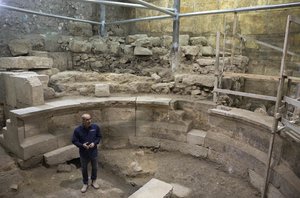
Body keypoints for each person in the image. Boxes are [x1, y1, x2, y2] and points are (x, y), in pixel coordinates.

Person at [72, 113, 102, 193]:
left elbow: (99, 137)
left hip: (93, 152)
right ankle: (85, 183)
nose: (89, 121)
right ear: (83, 120)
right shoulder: (77, 130)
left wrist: (94, 143)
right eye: (87, 120)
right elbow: (74, 141)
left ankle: (94, 181)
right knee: (84, 169)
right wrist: (82, 145)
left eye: (90, 119)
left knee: (95, 167)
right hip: (84, 153)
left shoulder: (95, 127)